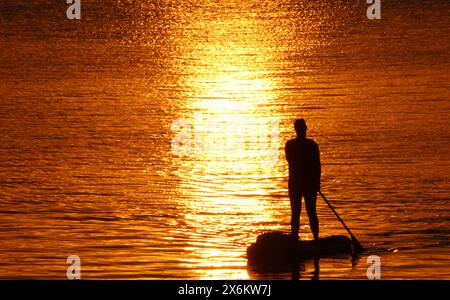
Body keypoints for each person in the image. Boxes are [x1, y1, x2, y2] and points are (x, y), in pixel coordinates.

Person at [285, 119, 321, 241]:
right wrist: (316, 182)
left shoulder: (308, 145)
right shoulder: (308, 145)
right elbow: (316, 166)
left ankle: (314, 238)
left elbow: (317, 166)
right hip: (300, 183)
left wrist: (317, 183)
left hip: (304, 184)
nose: (303, 130)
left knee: (307, 212)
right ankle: (296, 237)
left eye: (303, 128)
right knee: (298, 212)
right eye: (302, 128)